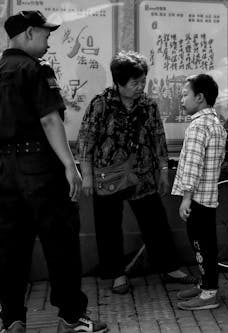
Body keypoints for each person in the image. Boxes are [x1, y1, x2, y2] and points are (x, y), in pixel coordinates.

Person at [0, 11, 107, 333]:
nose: (49, 42)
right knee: (60, 244)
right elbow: (49, 120)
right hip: (40, 170)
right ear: (30, 33)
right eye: (46, 35)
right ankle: (71, 317)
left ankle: (12, 320)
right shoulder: (35, 70)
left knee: (10, 248)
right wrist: (69, 165)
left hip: (3, 171)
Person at [77, 51, 196, 295]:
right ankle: (116, 274)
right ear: (119, 82)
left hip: (142, 175)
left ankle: (169, 267)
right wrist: (86, 175)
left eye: (143, 81)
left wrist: (163, 172)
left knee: (155, 221)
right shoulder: (100, 104)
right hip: (107, 176)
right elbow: (86, 141)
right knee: (108, 226)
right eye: (135, 82)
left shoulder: (148, 105)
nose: (141, 86)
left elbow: (158, 139)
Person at [172, 74, 227, 311]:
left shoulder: (198, 126)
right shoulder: (216, 124)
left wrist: (186, 198)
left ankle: (208, 294)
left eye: (185, 94)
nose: (181, 99)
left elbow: (193, 165)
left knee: (200, 244)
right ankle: (206, 284)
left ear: (200, 97)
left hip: (196, 199)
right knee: (207, 244)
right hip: (209, 196)